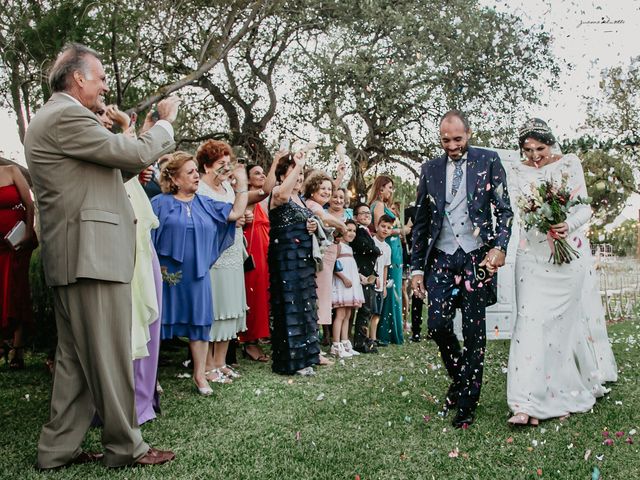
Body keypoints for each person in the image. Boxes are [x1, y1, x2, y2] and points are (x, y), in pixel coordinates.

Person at [25, 42, 178, 468]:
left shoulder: (53, 116)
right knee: (108, 356)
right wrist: (163, 126)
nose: (105, 85)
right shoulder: (66, 113)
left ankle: (57, 450)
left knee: (75, 363)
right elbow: (130, 152)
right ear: (78, 78)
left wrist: (134, 154)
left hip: (75, 256)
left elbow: (108, 166)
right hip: (88, 255)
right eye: (101, 77)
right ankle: (127, 447)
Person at [506, 118, 613, 425]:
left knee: (558, 331)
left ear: (550, 143)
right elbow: (519, 212)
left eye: (540, 148)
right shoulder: (517, 170)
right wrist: (538, 219)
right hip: (532, 256)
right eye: (528, 149)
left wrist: (568, 225)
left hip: (568, 258)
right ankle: (524, 403)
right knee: (528, 323)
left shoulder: (569, 164)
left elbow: (584, 208)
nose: (535, 155)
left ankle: (556, 394)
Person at [410, 110, 513, 429]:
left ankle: (467, 401)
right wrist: (415, 269)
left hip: (476, 257)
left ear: (469, 134)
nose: (452, 145)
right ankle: (460, 379)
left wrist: (499, 246)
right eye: (445, 140)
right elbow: (422, 223)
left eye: (458, 138)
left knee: (473, 331)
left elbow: (505, 210)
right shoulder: (429, 169)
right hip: (440, 256)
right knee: (438, 326)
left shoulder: (489, 160)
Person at [153, 151, 247, 393]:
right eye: (190, 172)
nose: (197, 175)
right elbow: (147, 237)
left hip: (198, 274)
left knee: (199, 322)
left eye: (197, 170)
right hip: (167, 275)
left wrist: (242, 185)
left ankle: (200, 376)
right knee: (159, 323)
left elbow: (235, 214)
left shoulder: (205, 202)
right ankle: (151, 377)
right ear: (174, 179)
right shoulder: (159, 204)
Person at [95, 101, 163, 424]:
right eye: (101, 113)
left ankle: (144, 395)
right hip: (117, 239)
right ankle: (121, 403)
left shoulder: (116, 145)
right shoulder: (96, 143)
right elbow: (131, 155)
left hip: (141, 235)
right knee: (125, 319)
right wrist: (126, 128)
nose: (107, 114)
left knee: (148, 315)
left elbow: (135, 159)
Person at [195, 140, 250, 383]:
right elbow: (222, 216)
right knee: (214, 309)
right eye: (221, 164)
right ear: (207, 167)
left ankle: (220, 362)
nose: (227, 168)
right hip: (213, 255)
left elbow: (238, 210)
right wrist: (234, 215)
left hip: (234, 252)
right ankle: (206, 366)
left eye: (228, 162)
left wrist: (243, 216)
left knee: (230, 306)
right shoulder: (200, 190)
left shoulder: (228, 188)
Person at [268, 152, 320, 376]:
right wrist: (298, 164)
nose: (299, 177)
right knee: (289, 305)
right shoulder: (278, 193)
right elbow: (282, 194)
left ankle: (307, 356)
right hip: (285, 256)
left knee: (304, 304)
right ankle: (291, 360)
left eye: (300, 174)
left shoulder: (300, 199)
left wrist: (312, 226)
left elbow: (307, 220)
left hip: (303, 257)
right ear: (282, 175)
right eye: (294, 174)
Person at [240, 159, 279, 362]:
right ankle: (249, 342)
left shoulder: (263, 203)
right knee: (252, 295)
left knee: (263, 295)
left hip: (264, 251)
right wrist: (277, 161)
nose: (262, 176)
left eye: (263, 173)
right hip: (251, 252)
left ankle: (259, 336)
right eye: (257, 173)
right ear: (246, 179)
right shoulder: (246, 198)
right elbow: (266, 189)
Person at [0, 164, 37, 369]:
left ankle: (18, 347)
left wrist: (29, 233)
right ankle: (2, 343)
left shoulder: (11, 171)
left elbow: (29, 204)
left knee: (17, 289)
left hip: (17, 243)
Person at [304, 171, 347, 341]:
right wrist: (342, 226)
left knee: (321, 298)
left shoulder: (318, 205)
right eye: (322, 188)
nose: (327, 192)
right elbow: (323, 218)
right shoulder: (312, 205)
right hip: (319, 261)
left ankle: (315, 341)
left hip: (326, 262)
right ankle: (313, 342)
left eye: (329, 189)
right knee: (318, 299)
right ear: (312, 189)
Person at [370, 176, 406, 345]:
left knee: (395, 289)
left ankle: (392, 330)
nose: (391, 191)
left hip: (395, 249)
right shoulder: (378, 205)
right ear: (380, 188)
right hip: (388, 249)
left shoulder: (384, 205)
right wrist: (402, 230)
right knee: (390, 290)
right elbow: (381, 228)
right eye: (389, 187)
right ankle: (386, 332)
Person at [350, 202, 381, 353]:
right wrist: (376, 249)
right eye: (363, 213)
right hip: (361, 274)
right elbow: (366, 248)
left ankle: (364, 339)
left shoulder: (367, 231)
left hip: (369, 275)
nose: (367, 215)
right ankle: (360, 342)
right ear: (355, 217)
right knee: (364, 309)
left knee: (368, 309)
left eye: (368, 212)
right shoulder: (358, 232)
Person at [331, 219, 364, 358]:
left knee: (348, 315)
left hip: (351, 284)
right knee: (340, 314)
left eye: (354, 231)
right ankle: (336, 344)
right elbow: (332, 265)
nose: (352, 233)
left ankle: (345, 342)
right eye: (349, 230)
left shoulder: (350, 248)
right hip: (342, 284)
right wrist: (344, 278)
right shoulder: (338, 246)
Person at [370, 215, 393, 346]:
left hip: (380, 285)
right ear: (377, 226)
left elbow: (385, 268)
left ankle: (374, 338)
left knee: (377, 312)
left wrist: (384, 286)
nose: (385, 230)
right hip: (371, 282)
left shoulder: (388, 248)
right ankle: (367, 338)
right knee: (369, 312)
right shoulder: (371, 242)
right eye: (383, 226)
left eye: (388, 228)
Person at [404, 202, 423, 342]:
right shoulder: (409, 212)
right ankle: (416, 330)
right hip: (416, 256)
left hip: (437, 255)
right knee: (417, 293)